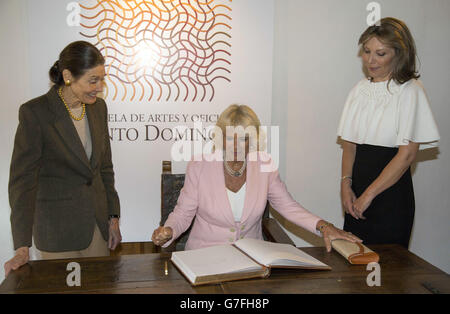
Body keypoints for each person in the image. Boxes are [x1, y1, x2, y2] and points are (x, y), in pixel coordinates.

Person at [153, 104, 361, 251]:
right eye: (230, 137)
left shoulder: (264, 165)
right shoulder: (199, 166)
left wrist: (325, 226)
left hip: (251, 258)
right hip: (205, 257)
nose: (236, 146)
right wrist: (169, 231)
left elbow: (288, 207)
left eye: (243, 138)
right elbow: (183, 213)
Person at [4, 41, 122, 277]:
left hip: (97, 230)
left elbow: (105, 168)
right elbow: (22, 183)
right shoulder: (35, 113)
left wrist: (113, 217)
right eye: (92, 80)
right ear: (68, 76)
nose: (99, 87)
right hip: (57, 234)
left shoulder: (99, 108)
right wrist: (22, 245)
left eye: (102, 79)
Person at [337, 17, 440, 248]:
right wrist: (346, 185)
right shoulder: (359, 90)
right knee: (354, 266)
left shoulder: (411, 91)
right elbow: (350, 145)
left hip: (390, 196)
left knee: (388, 272)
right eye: (366, 51)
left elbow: (406, 156)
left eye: (380, 54)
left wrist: (368, 195)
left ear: (398, 53)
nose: (370, 60)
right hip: (357, 193)